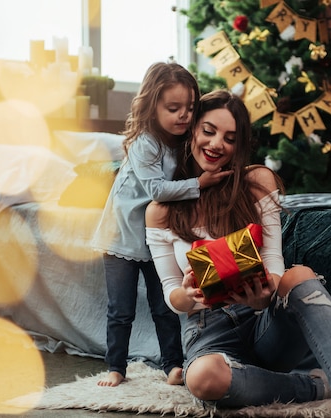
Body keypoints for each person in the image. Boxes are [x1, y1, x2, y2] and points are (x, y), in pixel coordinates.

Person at [145, 90, 331, 417]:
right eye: (209, 131)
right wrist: (187, 295)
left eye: (230, 138)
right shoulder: (160, 211)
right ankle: (318, 386)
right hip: (207, 331)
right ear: (191, 130)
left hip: (263, 323)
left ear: (240, 145)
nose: (217, 144)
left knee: (300, 274)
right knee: (202, 379)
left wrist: (261, 298)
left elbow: (274, 264)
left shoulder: (258, 181)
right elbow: (171, 291)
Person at [92, 63, 232, 387]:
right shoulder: (146, 142)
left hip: (155, 238)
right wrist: (201, 183)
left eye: (190, 108)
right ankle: (116, 367)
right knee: (121, 310)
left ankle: (174, 364)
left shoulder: (183, 141)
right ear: (152, 107)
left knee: (165, 305)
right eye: (173, 108)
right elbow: (156, 189)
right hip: (121, 239)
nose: (184, 115)